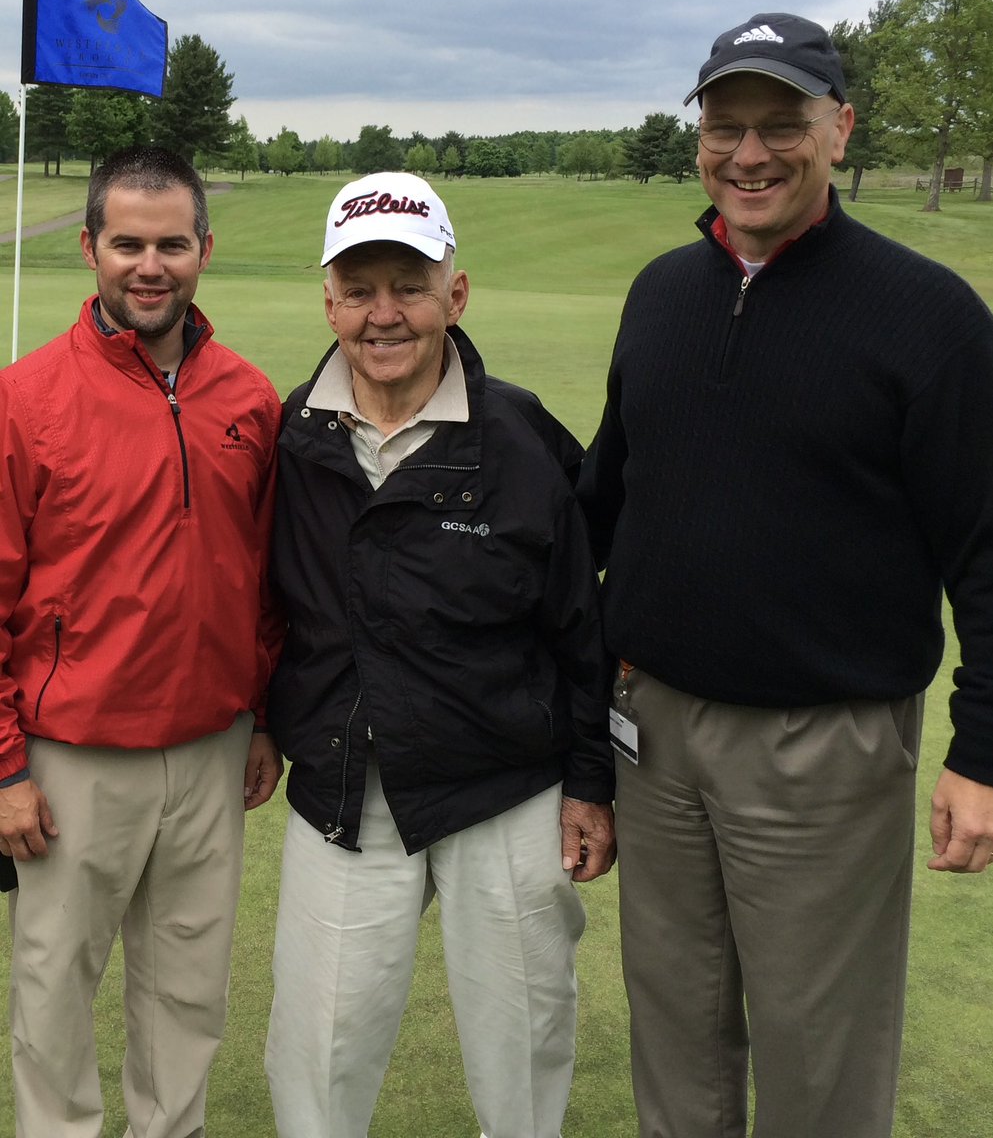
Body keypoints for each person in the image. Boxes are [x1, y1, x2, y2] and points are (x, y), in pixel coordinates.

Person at [577, 12, 993, 1138]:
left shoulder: (930, 318)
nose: (749, 153)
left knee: (819, 1052)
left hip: (824, 746)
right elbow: (606, 501)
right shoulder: (663, 291)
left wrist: (984, 751)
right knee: (675, 1026)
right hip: (654, 733)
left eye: (781, 124)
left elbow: (987, 552)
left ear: (840, 130)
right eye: (725, 126)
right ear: (699, 139)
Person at [263, 171, 615, 1138]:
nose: (386, 314)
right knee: (321, 1043)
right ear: (328, 300)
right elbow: (264, 604)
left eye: (409, 286)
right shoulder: (291, 434)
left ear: (454, 295)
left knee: (522, 1035)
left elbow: (580, 628)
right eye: (360, 288)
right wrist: (260, 723)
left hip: (503, 786)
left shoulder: (522, 434)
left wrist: (590, 780)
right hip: (344, 786)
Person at [0, 146, 283, 1138]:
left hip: (210, 752)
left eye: (172, 244)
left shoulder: (250, 399)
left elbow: (265, 583)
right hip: (71, 758)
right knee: (53, 999)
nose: (149, 265)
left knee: (187, 995)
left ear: (205, 249)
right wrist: (2, 771)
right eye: (128, 243)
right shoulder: (24, 397)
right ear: (90, 248)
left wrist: (263, 716)